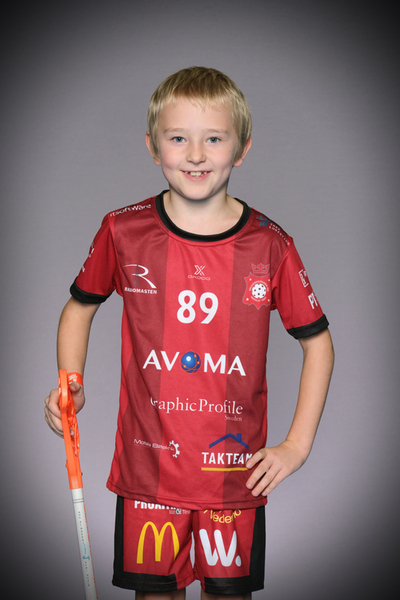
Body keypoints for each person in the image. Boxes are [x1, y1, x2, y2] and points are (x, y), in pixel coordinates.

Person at [44, 66, 334, 600]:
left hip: (234, 478)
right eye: (178, 138)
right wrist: (71, 381)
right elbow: (78, 309)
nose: (196, 154)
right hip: (148, 474)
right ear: (152, 146)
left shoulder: (270, 245)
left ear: (242, 148)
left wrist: (296, 446)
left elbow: (318, 344)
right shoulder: (123, 229)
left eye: (214, 139)